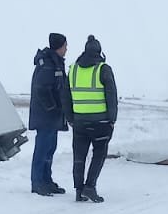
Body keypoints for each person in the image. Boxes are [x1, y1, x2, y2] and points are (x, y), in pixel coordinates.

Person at [68, 35, 118, 203]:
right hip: (101, 122)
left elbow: (65, 96)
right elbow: (111, 96)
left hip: (79, 122)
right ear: (99, 52)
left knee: (79, 157)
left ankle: (79, 190)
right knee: (99, 155)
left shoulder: (73, 69)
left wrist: (70, 118)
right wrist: (112, 119)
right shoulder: (103, 69)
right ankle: (90, 187)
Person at [28, 33, 71, 196]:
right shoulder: (47, 64)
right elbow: (41, 89)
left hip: (52, 117)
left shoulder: (55, 62)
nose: (67, 49)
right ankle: (37, 182)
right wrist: (52, 107)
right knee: (43, 149)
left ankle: (46, 180)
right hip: (46, 116)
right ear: (59, 47)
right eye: (65, 46)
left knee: (50, 148)